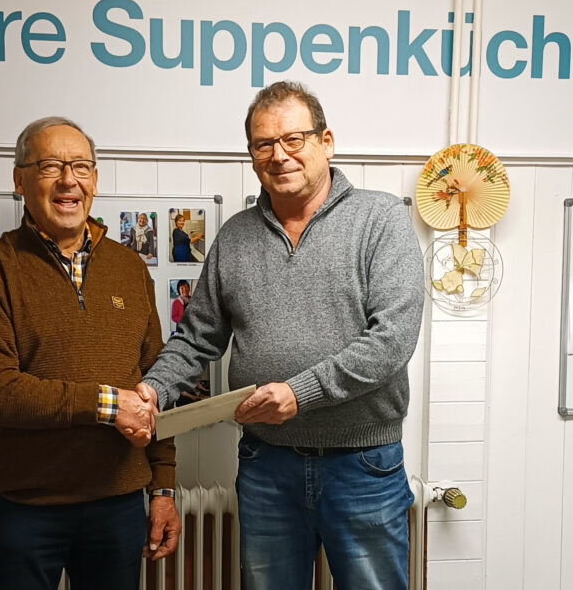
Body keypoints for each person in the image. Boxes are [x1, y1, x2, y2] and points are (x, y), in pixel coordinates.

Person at [140, 81, 425, 589]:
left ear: (326, 142)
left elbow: (392, 340)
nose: (279, 155)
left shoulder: (380, 219)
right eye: (263, 144)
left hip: (362, 465)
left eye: (293, 139)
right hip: (266, 465)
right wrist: (153, 389)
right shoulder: (235, 236)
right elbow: (197, 337)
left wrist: (299, 393)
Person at [0, 115, 180, 590]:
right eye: (50, 166)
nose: (68, 180)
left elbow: (154, 381)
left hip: (119, 506)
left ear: (94, 180)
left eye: (80, 166)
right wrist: (106, 404)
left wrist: (162, 486)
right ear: (19, 181)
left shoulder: (129, 267)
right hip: (25, 509)